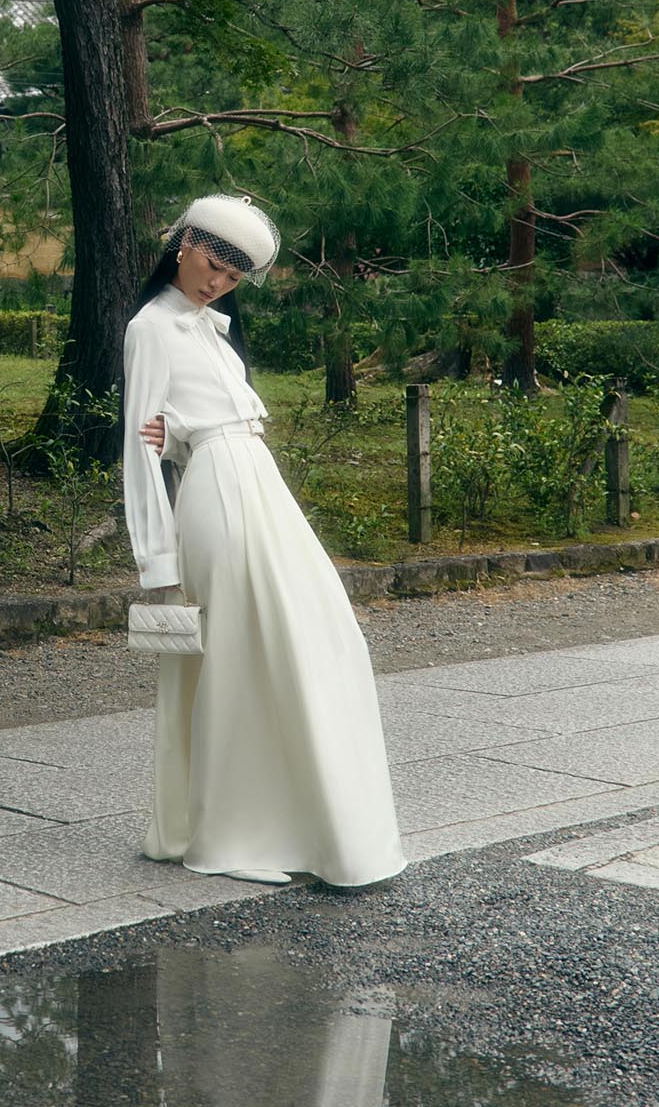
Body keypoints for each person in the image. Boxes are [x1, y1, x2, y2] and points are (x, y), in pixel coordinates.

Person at [122, 193, 404, 889]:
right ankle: (231, 835)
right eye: (212, 265)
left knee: (320, 636)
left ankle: (291, 823)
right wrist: (156, 558)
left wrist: (181, 434)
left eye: (232, 277)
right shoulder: (151, 327)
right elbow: (137, 446)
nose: (216, 283)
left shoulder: (207, 328)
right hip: (220, 497)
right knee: (244, 656)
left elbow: (180, 427)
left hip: (253, 482)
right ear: (182, 241)